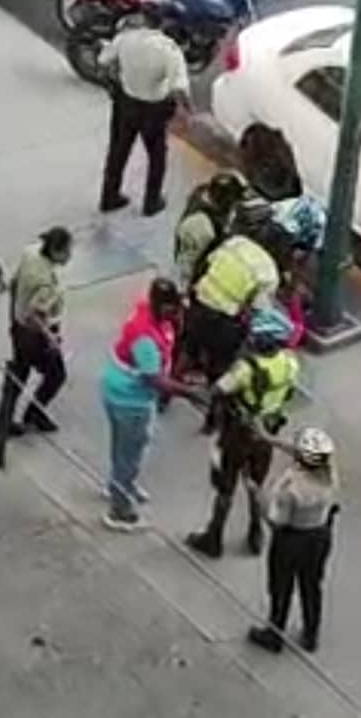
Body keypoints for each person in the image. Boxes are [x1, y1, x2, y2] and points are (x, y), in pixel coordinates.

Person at [186, 305, 301, 558]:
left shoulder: (245, 369)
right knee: (255, 483)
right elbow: (290, 393)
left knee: (225, 486)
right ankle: (255, 532)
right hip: (267, 433)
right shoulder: (290, 364)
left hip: (238, 432)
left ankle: (213, 537)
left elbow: (218, 390)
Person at [100, 278, 204, 531]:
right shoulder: (144, 338)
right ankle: (120, 511)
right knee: (130, 451)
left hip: (119, 390)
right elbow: (154, 379)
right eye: (173, 309)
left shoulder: (147, 310)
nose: (176, 313)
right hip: (130, 399)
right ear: (161, 306)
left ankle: (119, 484)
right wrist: (189, 392)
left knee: (125, 445)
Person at [247, 426, 339, 654]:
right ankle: (311, 633)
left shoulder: (294, 489)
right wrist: (269, 439)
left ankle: (274, 634)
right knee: (311, 585)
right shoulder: (328, 474)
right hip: (319, 535)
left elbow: (277, 522)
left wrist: (258, 498)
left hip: (291, 539)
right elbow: (297, 451)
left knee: (281, 586)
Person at [98, 11, 192, 217]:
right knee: (156, 156)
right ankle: (151, 201)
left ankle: (109, 196)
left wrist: (114, 79)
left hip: (126, 103)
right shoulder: (169, 50)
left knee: (118, 151)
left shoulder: (125, 39)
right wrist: (187, 111)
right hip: (154, 109)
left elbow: (103, 61)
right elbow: (179, 88)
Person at [183, 199, 283, 391]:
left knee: (189, 346)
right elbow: (258, 309)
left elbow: (208, 263)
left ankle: (172, 386)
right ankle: (213, 389)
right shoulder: (269, 272)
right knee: (222, 359)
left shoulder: (235, 243)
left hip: (199, 302)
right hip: (223, 321)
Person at [0, 227, 73, 443]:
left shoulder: (31, 252)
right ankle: (33, 414)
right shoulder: (46, 283)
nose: (70, 255)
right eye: (67, 251)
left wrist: (13, 319)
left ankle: (5, 422)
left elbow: (14, 284)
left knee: (19, 372)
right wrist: (51, 337)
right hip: (34, 335)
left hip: (18, 327)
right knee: (56, 375)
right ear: (56, 251)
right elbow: (34, 317)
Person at [173, 172, 249, 292]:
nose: (235, 204)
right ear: (224, 201)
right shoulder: (201, 227)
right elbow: (186, 262)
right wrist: (185, 288)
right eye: (233, 200)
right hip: (198, 263)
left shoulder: (204, 192)